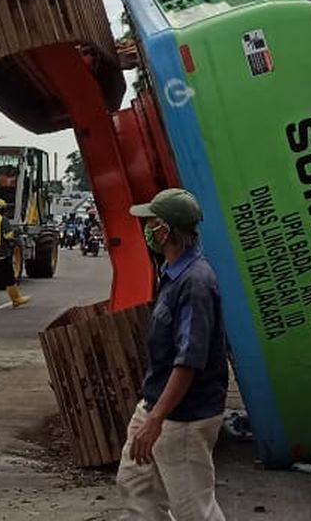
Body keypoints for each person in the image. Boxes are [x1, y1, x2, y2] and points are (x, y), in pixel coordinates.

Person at [117, 188, 228, 521]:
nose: (146, 230)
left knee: (194, 508)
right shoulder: (174, 274)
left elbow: (188, 362)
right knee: (136, 484)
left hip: (183, 417)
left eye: (150, 223)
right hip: (156, 404)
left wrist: (156, 420)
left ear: (165, 230)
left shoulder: (194, 282)